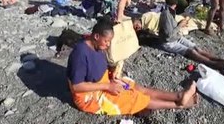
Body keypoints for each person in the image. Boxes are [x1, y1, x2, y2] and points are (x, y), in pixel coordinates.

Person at [66, 18, 198, 115]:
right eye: (106, 41)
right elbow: (77, 87)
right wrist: (107, 86)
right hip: (90, 96)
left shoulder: (98, 46)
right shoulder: (80, 54)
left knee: (136, 87)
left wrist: (113, 74)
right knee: (134, 97)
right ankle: (178, 105)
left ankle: (179, 96)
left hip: (105, 82)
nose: (107, 45)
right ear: (96, 36)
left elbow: (99, 66)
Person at [158, 0, 224, 70]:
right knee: (191, 51)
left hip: (176, 37)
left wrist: (180, 24)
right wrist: (180, 26)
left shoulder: (171, 12)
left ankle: (221, 60)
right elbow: (168, 35)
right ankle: (216, 64)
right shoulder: (166, 15)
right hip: (169, 43)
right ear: (175, 3)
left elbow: (171, 29)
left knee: (196, 48)